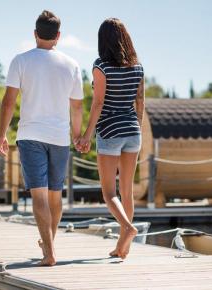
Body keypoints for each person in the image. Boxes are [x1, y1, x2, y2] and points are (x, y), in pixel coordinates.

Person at [0, 10, 84, 266]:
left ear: (35, 34)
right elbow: (77, 107)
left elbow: (8, 102)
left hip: (30, 135)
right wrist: (77, 136)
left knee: (39, 196)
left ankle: (48, 253)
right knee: (55, 197)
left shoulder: (20, 60)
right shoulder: (72, 64)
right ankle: (49, 246)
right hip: (60, 138)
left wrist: (2, 134)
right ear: (58, 36)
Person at [77, 18, 145, 259]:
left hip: (109, 132)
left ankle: (127, 229)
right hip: (133, 132)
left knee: (108, 193)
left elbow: (97, 104)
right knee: (126, 191)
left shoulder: (101, 66)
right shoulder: (138, 67)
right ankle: (122, 247)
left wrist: (86, 135)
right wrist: (136, 128)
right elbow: (140, 103)